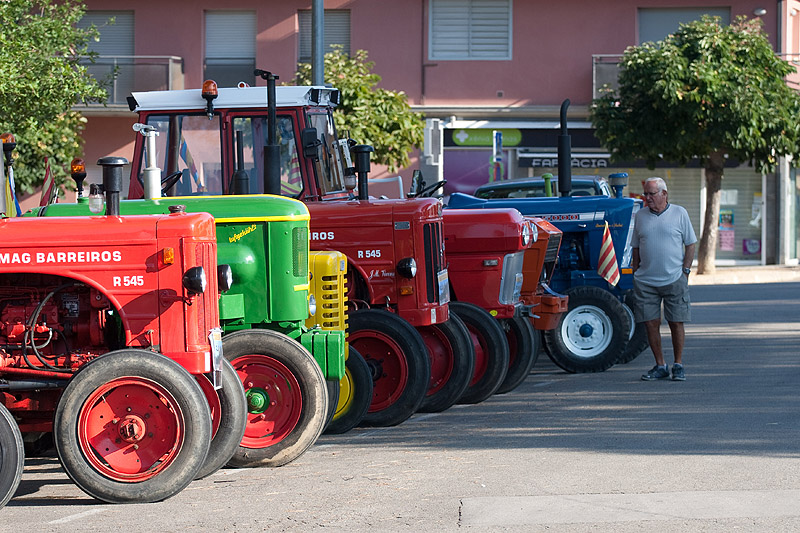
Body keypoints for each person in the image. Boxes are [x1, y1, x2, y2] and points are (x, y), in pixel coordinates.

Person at [631, 177, 697, 381]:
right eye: (646, 194)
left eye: (652, 194)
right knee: (651, 324)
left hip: (674, 278)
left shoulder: (679, 213)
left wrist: (685, 271)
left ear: (664, 194)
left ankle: (678, 364)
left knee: (676, 322)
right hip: (646, 281)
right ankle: (660, 365)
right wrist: (635, 272)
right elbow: (635, 247)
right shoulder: (640, 216)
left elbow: (691, 244)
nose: (648, 198)